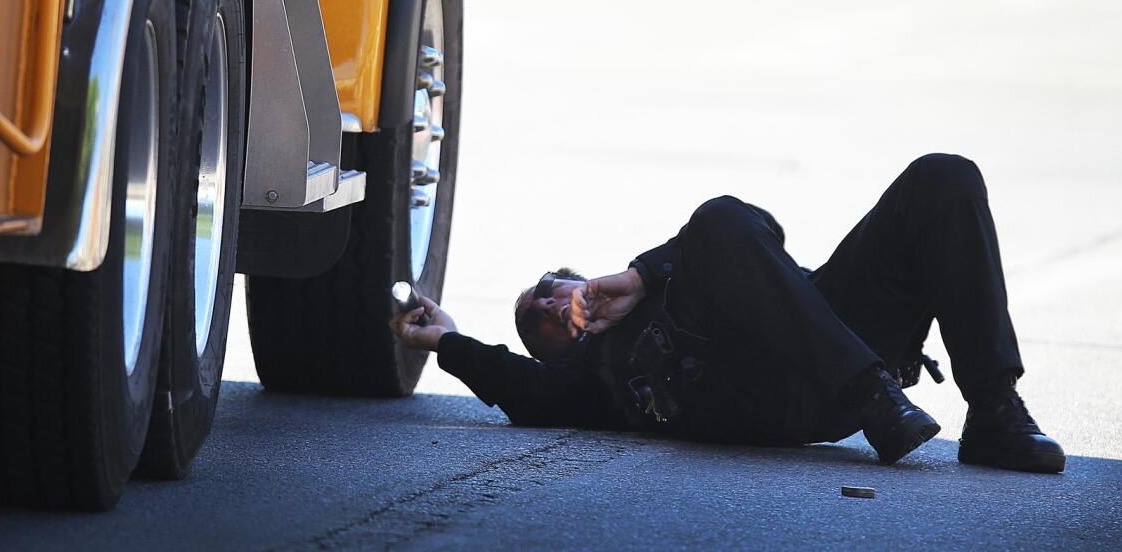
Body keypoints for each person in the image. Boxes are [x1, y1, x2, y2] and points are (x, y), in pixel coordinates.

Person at [391, 154, 1065, 472]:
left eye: (545, 285)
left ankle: (995, 413)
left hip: (833, 329)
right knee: (714, 224)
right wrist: (448, 343)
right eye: (532, 316)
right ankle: (870, 394)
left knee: (943, 178)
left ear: (578, 278)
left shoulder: (668, 270)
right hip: (769, 397)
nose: (544, 302)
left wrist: (640, 273)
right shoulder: (591, 380)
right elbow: (521, 390)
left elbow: (757, 227)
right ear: (550, 349)